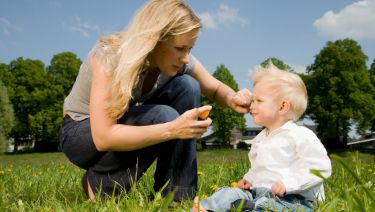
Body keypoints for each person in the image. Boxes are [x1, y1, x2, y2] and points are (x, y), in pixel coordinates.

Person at [59, 0, 252, 203]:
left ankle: (177, 198)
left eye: (190, 49)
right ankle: (100, 185)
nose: (186, 58)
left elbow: (214, 88)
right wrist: (173, 128)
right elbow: (103, 136)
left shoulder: (176, 61)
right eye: (180, 48)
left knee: (188, 85)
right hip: (79, 133)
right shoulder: (110, 56)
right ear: (155, 40)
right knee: (164, 116)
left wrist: (233, 98)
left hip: (118, 122)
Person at [192, 63, 332, 212]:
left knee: (269, 207)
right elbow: (259, 168)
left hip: (293, 197)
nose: (252, 106)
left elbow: (320, 168)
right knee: (229, 193)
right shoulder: (261, 138)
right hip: (257, 193)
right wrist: (249, 179)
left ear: (282, 107)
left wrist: (289, 184)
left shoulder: (300, 135)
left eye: (259, 101)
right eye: (253, 100)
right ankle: (206, 208)